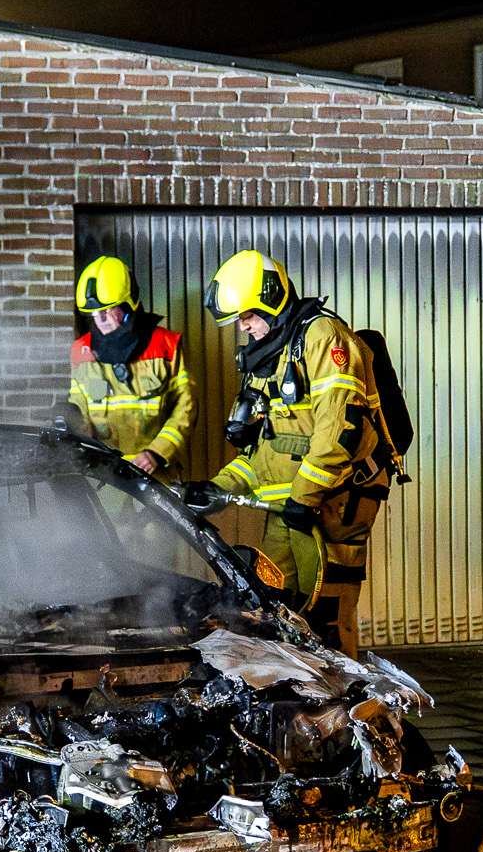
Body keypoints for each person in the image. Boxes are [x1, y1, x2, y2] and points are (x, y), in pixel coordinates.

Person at [182, 250, 393, 656]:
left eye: (247, 315)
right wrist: (217, 487)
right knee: (276, 607)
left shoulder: (323, 338)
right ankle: (299, 703)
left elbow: (339, 432)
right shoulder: (271, 356)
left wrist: (306, 496)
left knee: (325, 615)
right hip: (292, 505)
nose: (243, 326)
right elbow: (264, 451)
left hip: (336, 502)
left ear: (271, 297)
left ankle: (342, 707)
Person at [66, 255, 195, 477]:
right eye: (94, 313)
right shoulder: (81, 351)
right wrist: (70, 422)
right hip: (104, 478)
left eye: (107, 309)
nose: (101, 319)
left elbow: (185, 408)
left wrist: (156, 453)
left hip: (156, 476)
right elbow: (80, 407)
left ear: (128, 304)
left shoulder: (167, 345)